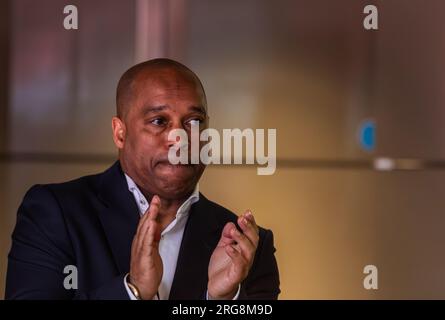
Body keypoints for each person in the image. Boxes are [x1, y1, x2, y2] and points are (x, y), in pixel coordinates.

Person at [5, 58, 280, 300]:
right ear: (120, 133)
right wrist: (132, 291)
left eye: (194, 122)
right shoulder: (55, 214)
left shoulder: (247, 248)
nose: (179, 139)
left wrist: (220, 300)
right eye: (159, 121)